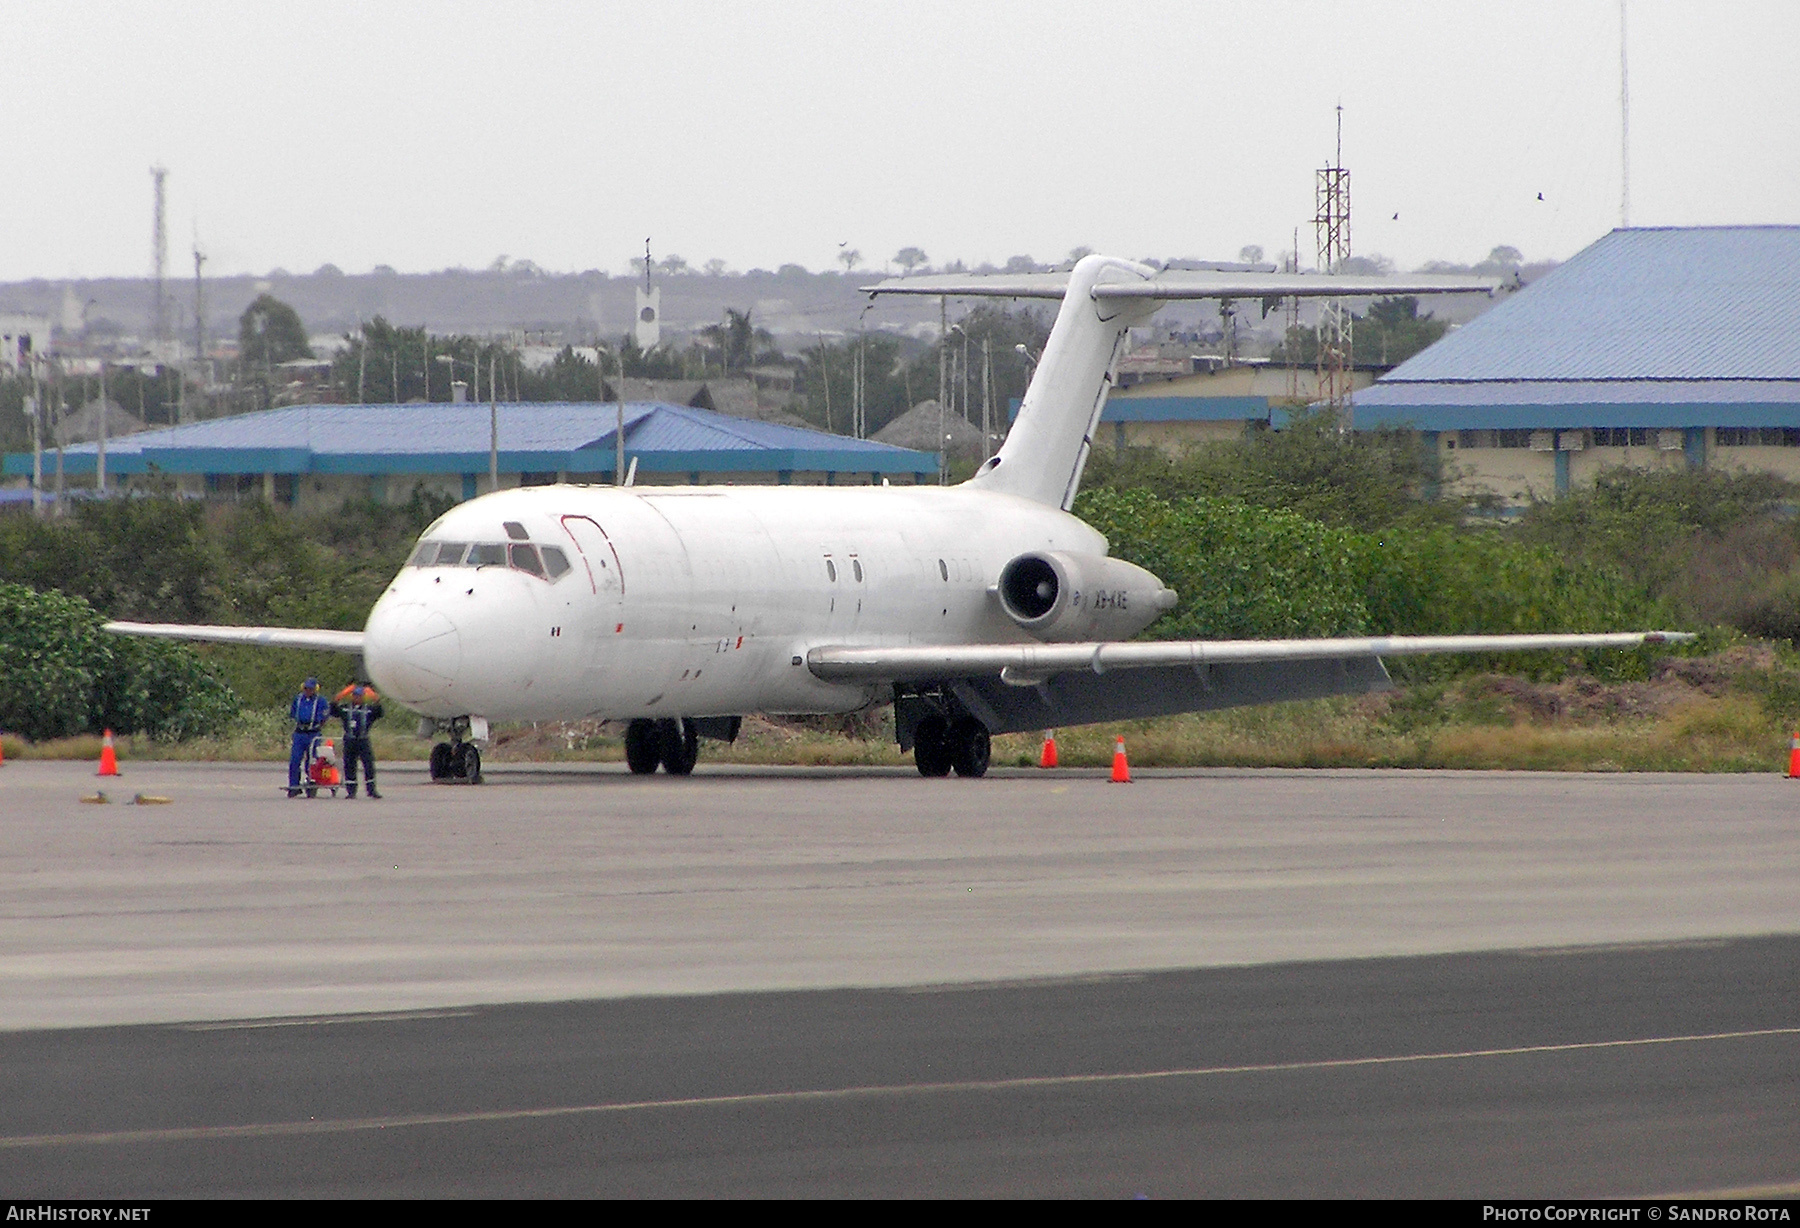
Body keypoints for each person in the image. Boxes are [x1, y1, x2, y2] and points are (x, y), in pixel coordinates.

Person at [331, 682, 384, 799]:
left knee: (368, 765)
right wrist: (338, 697)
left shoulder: (368, 710)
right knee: (349, 765)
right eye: (355, 695)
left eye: (359, 696)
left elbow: (380, 713)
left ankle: (371, 790)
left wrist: (376, 699)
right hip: (350, 739)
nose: (357, 698)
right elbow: (333, 711)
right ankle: (351, 791)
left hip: (363, 740)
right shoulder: (345, 708)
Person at [287, 677, 331, 798]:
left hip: (313, 733)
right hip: (299, 733)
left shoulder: (321, 701)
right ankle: (294, 786)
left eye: (311, 688)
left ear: (315, 689)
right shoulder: (298, 699)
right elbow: (293, 713)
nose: (308, 690)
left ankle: (311, 783)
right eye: (306, 688)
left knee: (312, 761)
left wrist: (317, 727)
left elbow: (324, 717)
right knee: (295, 760)